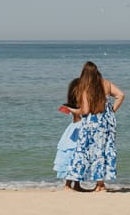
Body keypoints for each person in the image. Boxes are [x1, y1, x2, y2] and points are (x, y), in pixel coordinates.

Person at [53, 59, 124, 192]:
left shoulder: (86, 88)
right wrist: (112, 111)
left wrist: (71, 109)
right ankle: (100, 185)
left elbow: (84, 111)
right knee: (102, 153)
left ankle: (70, 185)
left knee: (82, 153)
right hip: (106, 124)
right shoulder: (106, 84)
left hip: (91, 125)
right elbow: (121, 95)